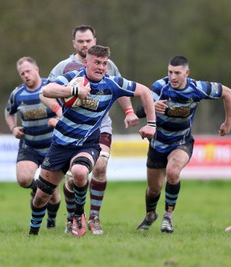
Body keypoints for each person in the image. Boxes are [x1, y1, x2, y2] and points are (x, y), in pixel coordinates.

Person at [29, 45, 156, 237]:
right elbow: (47, 90)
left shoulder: (112, 84)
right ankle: (32, 235)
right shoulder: (74, 77)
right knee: (40, 198)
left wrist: (152, 124)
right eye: (97, 62)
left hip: (88, 143)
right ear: (86, 61)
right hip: (60, 145)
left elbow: (145, 91)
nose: (101, 67)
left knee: (80, 172)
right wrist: (73, 91)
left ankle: (78, 215)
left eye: (104, 63)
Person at [48, 24, 139, 235]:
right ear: (74, 44)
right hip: (71, 128)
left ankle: (94, 217)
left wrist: (128, 111)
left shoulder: (108, 64)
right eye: (80, 41)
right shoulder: (64, 67)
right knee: (74, 175)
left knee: (99, 166)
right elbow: (47, 91)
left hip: (100, 125)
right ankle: (73, 218)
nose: (85, 44)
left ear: (94, 41)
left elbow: (122, 88)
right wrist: (56, 110)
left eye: (88, 40)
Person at [135, 55, 231, 233]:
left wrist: (227, 122)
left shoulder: (197, 88)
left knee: (173, 173)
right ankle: (151, 215)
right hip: (158, 143)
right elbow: (139, 111)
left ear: (186, 73)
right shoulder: (160, 86)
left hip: (181, 141)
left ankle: (168, 217)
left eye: (177, 73)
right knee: (153, 189)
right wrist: (152, 105)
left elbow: (228, 93)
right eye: (170, 72)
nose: (173, 77)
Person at [5, 56, 63, 229]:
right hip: (29, 145)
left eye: (28, 71)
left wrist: (58, 119)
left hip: (52, 147)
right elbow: (9, 112)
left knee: (52, 193)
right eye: (22, 73)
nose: (25, 75)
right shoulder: (17, 94)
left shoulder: (52, 88)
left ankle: (51, 221)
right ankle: (36, 188)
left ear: (37, 69)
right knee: (23, 179)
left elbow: (67, 109)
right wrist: (13, 128)